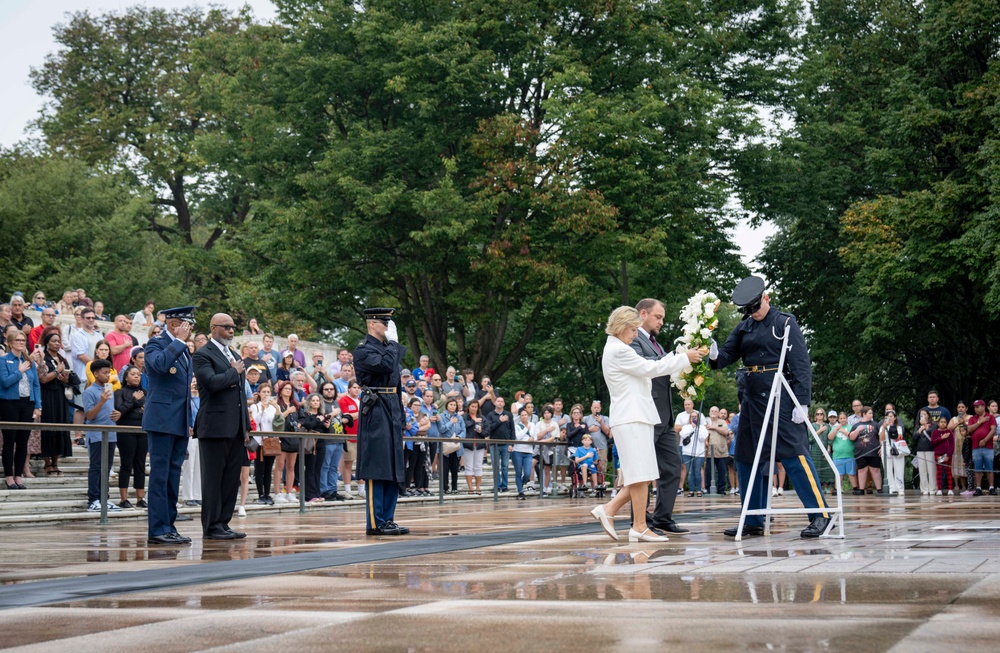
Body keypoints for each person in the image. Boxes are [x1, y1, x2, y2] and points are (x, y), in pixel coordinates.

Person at [709, 276, 831, 539]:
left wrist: (802, 401)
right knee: (745, 458)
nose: (753, 314)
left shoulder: (784, 323)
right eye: (748, 311)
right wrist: (713, 353)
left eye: (755, 307)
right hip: (752, 398)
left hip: (780, 396)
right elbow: (726, 356)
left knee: (794, 455)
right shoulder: (744, 327)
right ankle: (752, 518)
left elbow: (800, 364)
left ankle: (820, 514)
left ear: (766, 298)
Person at [591, 306, 703, 543]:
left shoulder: (617, 347)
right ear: (621, 327)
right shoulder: (619, 350)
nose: (635, 335)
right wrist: (684, 358)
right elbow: (650, 368)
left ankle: (615, 513)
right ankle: (637, 524)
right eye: (632, 329)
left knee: (641, 474)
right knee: (639, 474)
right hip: (632, 417)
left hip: (636, 416)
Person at [628, 298, 690, 533]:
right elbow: (643, 365)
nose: (662, 322)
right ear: (643, 314)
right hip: (646, 413)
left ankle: (663, 517)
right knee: (642, 469)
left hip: (664, 416)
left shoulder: (656, 343)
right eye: (658, 317)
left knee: (673, 467)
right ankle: (639, 521)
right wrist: (675, 357)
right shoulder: (633, 340)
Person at [353, 308, 410, 536]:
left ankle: (388, 518)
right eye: (384, 322)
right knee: (378, 466)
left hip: (392, 405)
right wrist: (394, 345)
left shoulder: (388, 349)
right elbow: (385, 367)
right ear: (372, 324)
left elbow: (396, 381)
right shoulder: (363, 350)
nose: (388, 326)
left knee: (393, 466)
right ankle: (376, 522)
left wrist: (401, 415)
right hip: (376, 407)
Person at [192, 313, 249, 540]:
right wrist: (233, 371)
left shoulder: (234, 355)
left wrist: (245, 425)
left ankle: (223, 523)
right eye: (226, 327)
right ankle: (211, 526)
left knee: (230, 478)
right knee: (213, 479)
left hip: (235, 427)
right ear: (213, 329)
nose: (231, 331)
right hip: (214, 426)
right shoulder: (203, 354)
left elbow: (240, 396)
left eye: (233, 327)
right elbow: (212, 384)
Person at [142, 306, 195, 544]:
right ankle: (157, 529)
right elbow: (160, 366)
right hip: (162, 419)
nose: (190, 329)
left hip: (179, 421)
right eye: (187, 324)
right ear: (174, 324)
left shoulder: (184, 350)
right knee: (160, 476)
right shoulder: (156, 344)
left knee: (173, 476)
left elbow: (184, 392)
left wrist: (190, 421)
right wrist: (178, 342)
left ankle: (169, 526)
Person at [1, 330, 42, 489]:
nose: (21, 343)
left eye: (23, 340)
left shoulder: (29, 361)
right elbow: (5, 382)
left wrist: (38, 405)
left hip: (27, 403)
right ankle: (9, 476)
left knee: (23, 441)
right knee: (9, 441)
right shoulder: (3, 360)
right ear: (10, 343)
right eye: (18, 340)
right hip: (9, 403)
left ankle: (19, 475)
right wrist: (20, 371)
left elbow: (36, 385)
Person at [82, 359, 121, 511]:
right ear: (96, 374)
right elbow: (89, 416)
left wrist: (117, 414)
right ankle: (93, 499)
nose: (108, 376)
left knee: (107, 467)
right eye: (105, 373)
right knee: (96, 467)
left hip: (110, 433)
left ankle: (105, 498)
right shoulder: (89, 391)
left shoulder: (109, 387)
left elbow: (110, 411)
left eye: (109, 372)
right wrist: (101, 401)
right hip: (97, 435)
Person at [37, 331, 76, 476]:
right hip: (47, 395)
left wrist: (65, 378)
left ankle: (55, 462)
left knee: (60, 426)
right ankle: (47, 463)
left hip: (61, 396)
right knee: (48, 426)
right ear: (47, 343)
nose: (56, 343)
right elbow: (43, 379)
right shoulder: (43, 358)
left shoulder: (62, 358)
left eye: (58, 341)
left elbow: (67, 377)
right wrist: (57, 371)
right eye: (53, 341)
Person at [114, 365, 147, 508]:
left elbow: (147, 410)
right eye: (133, 374)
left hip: (142, 430)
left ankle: (140, 498)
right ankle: (123, 499)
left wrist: (142, 409)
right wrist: (134, 401)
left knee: (140, 465)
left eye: (138, 374)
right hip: (126, 430)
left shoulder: (145, 392)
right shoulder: (120, 392)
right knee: (126, 464)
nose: (136, 376)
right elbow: (119, 411)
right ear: (126, 377)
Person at [676, 399, 708, 496]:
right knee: (689, 471)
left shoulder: (701, 427)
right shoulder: (685, 426)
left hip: (698, 452)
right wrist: (691, 427)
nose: (687, 406)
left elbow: (702, 437)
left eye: (695, 417)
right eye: (685, 404)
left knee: (697, 471)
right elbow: (682, 434)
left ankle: (699, 489)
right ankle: (690, 490)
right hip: (687, 451)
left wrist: (696, 429)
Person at [483, 395, 514, 492]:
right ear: (495, 403)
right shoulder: (490, 415)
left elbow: (512, 430)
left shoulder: (508, 415)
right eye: (498, 401)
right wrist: (499, 421)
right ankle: (497, 485)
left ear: (504, 404)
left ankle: (504, 486)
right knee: (495, 466)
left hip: (505, 444)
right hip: (494, 444)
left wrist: (511, 444)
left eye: (502, 401)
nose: (500, 403)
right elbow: (489, 428)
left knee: (505, 466)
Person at [967, 400, 997, 496]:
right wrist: (980, 422)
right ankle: (978, 488)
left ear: (983, 407)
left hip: (988, 446)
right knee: (978, 468)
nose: (975, 409)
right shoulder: (973, 418)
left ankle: (991, 487)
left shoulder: (991, 417)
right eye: (974, 407)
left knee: (989, 467)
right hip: (975, 446)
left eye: (977, 407)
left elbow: (993, 430)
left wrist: (985, 440)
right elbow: (969, 429)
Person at [850, 406, 881, 493]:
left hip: (874, 451)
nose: (872, 415)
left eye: (872, 413)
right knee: (862, 470)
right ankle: (861, 489)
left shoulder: (876, 424)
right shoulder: (856, 425)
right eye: (870, 413)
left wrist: (882, 448)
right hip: (861, 452)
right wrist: (857, 430)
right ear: (864, 414)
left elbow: (881, 437)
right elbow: (851, 438)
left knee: (875, 469)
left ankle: (879, 489)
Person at [338, 381, 361, 497]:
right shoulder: (344, 401)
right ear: (349, 389)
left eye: (358, 388)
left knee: (361, 463)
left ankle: (361, 489)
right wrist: (362, 412)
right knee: (348, 463)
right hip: (349, 435)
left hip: (361, 436)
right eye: (354, 387)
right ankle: (347, 489)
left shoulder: (361, 401)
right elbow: (347, 416)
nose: (357, 390)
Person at [828, 411, 859, 493]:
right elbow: (830, 437)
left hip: (849, 454)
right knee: (839, 473)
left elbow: (852, 437)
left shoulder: (851, 427)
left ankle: (855, 488)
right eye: (841, 418)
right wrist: (837, 429)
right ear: (838, 419)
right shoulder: (835, 428)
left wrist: (843, 431)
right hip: (837, 455)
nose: (843, 420)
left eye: (844, 418)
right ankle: (837, 489)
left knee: (851, 473)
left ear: (847, 418)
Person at [462, 399, 487, 495]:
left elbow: (487, 431)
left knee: (478, 466)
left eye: (476, 407)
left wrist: (481, 431)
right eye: (472, 406)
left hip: (479, 445)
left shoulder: (483, 418)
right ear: (468, 407)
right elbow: (464, 426)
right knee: (468, 466)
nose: (474, 408)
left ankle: (477, 487)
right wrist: (473, 421)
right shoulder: (464, 417)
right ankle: (470, 488)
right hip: (468, 445)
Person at [880, 409, 907, 495]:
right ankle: (891, 487)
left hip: (897, 448)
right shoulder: (882, 427)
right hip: (886, 448)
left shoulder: (899, 427)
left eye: (891, 416)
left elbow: (899, 438)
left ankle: (900, 488)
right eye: (887, 417)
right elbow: (881, 438)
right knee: (887, 469)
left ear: (895, 418)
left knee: (899, 468)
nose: (889, 418)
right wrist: (884, 427)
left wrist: (892, 427)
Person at [913, 409, 937, 495]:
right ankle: (924, 489)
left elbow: (934, 435)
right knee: (922, 471)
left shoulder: (933, 425)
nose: (923, 416)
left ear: (928, 415)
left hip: (930, 449)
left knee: (931, 470)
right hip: (920, 450)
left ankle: (933, 488)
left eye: (924, 414)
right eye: (921, 415)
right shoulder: (917, 426)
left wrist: (926, 427)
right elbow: (914, 437)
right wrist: (920, 430)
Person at [512, 407, 534, 499]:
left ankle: (521, 483)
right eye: (522, 415)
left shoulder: (532, 424)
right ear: (520, 417)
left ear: (528, 416)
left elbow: (534, 435)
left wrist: (533, 438)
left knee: (527, 473)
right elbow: (518, 437)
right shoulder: (517, 426)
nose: (524, 417)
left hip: (528, 451)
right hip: (518, 450)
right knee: (518, 472)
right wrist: (526, 429)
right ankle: (520, 491)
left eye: (525, 415)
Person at [931, 417, 954, 495]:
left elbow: (952, 445)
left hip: (947, 455)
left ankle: (950, 489)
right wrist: (941, 438)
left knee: (948, 471)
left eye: (944, 422)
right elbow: (933, 443)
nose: (943, 423)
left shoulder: (949, 432)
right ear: (938, 423)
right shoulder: (934, 432)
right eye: (941, 422)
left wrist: (948, 455)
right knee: (939, 471)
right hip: (938, 454)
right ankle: (939, 489)